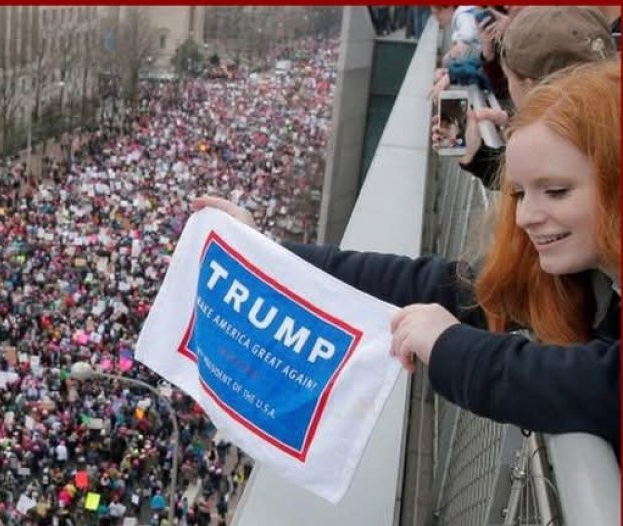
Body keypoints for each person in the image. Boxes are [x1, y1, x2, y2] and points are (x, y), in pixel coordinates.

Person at [194, 61, 620, 452]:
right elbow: (439, 287)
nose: (526, 217)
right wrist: (268, 256)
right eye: (520, 193)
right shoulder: (577, 273)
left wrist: (450, 346)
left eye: (557, 191)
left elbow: (599, 384)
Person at [436, 6, 616, 188]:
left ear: (530, 87)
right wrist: (509, 120)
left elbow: (531, 178)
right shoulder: (602, 129)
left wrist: (475, 156)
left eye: (508, 78)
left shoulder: (560, 149)